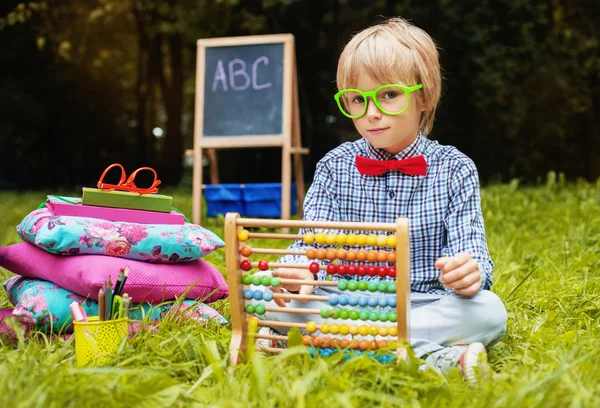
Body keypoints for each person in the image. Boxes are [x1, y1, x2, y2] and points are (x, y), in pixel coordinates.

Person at [254, 16, 507, 383]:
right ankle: (435, 358)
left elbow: (473, 251)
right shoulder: (333, 167)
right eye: (357, 99)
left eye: (388, 95)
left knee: (489, 312)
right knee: (263, 295)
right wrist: (297, 272)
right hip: (343, 301)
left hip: (428, 304)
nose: (371, 113)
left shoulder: (455, 169)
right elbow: (309, 244)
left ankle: (331, 343)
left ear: (423, 96)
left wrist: (470, 273)